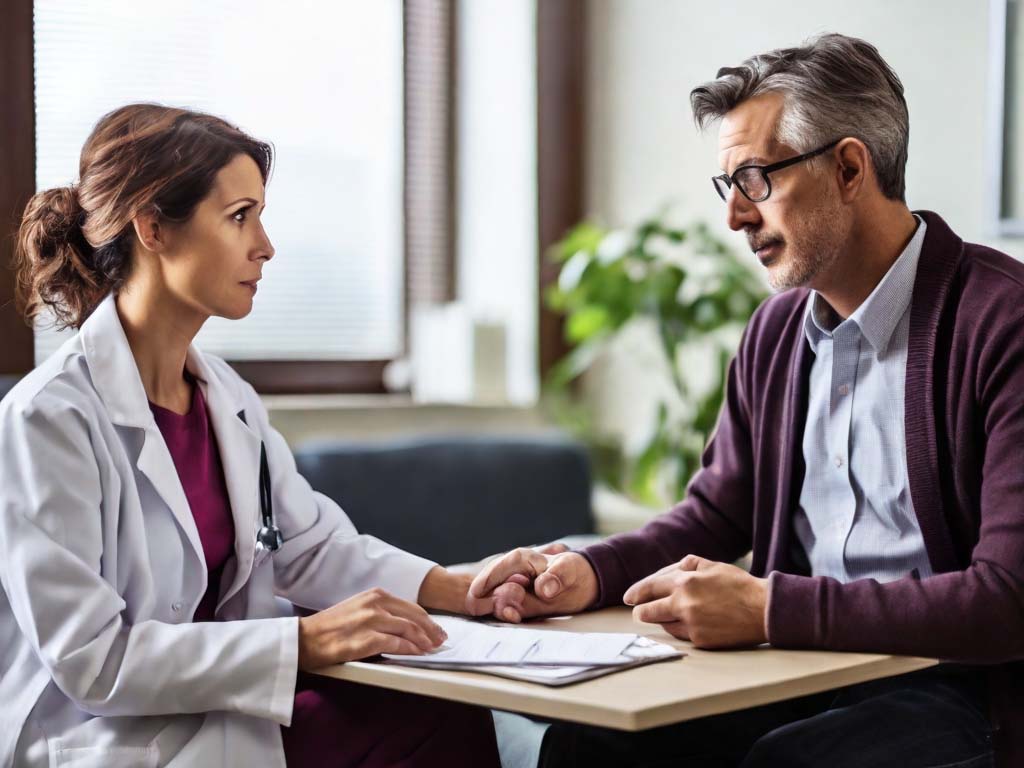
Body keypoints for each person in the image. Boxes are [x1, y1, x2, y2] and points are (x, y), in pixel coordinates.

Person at [472, 33, 1022, 768]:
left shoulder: (1003, 322)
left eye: (756, 179)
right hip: (796, 669)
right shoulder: (776, 330)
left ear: (850, 167)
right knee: (588, 750)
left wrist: (768, 608)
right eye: (727, 186)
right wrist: (590, 572)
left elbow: (1007, 599)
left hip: (955, 690)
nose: (735, 216)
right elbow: (715, 513)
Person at [0, 103, 504, 767]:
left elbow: (311, 548)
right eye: (240, 216)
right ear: (153, 227)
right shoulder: (50, 418)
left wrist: (463, 588)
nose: (264, 245)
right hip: (101, 736)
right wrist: (306, 642)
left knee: (443, 712)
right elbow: (92, 661)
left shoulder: (228, 400)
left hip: (210, 711)